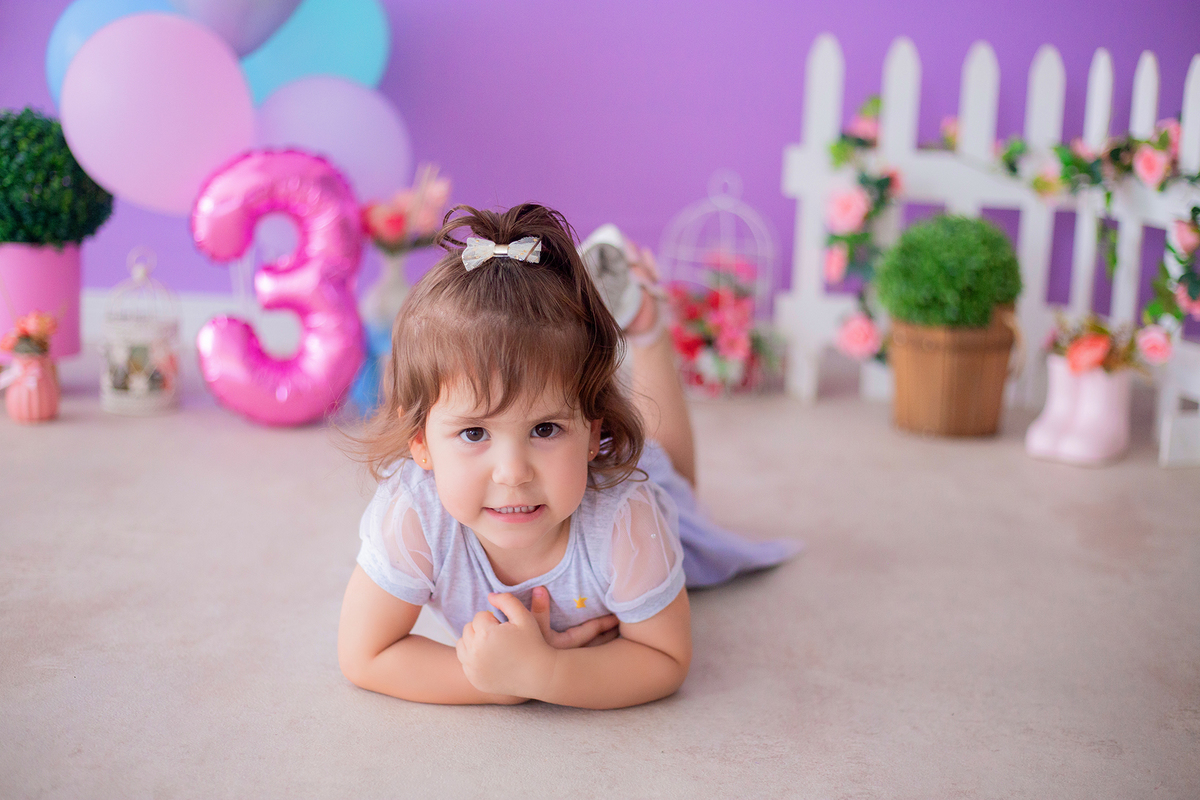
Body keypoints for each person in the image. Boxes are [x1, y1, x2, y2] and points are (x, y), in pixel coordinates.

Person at [338, 203, 797, 709]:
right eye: (473, 434)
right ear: (419, 440)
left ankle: (647, 334)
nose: (513, 473)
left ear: (591, 430)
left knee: (677, 493)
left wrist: (546, 673)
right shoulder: (414, 516)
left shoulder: (626, 521)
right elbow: (365, 654)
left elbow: (665, 659)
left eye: (545, 428)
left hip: (637, 505)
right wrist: (499, 682)